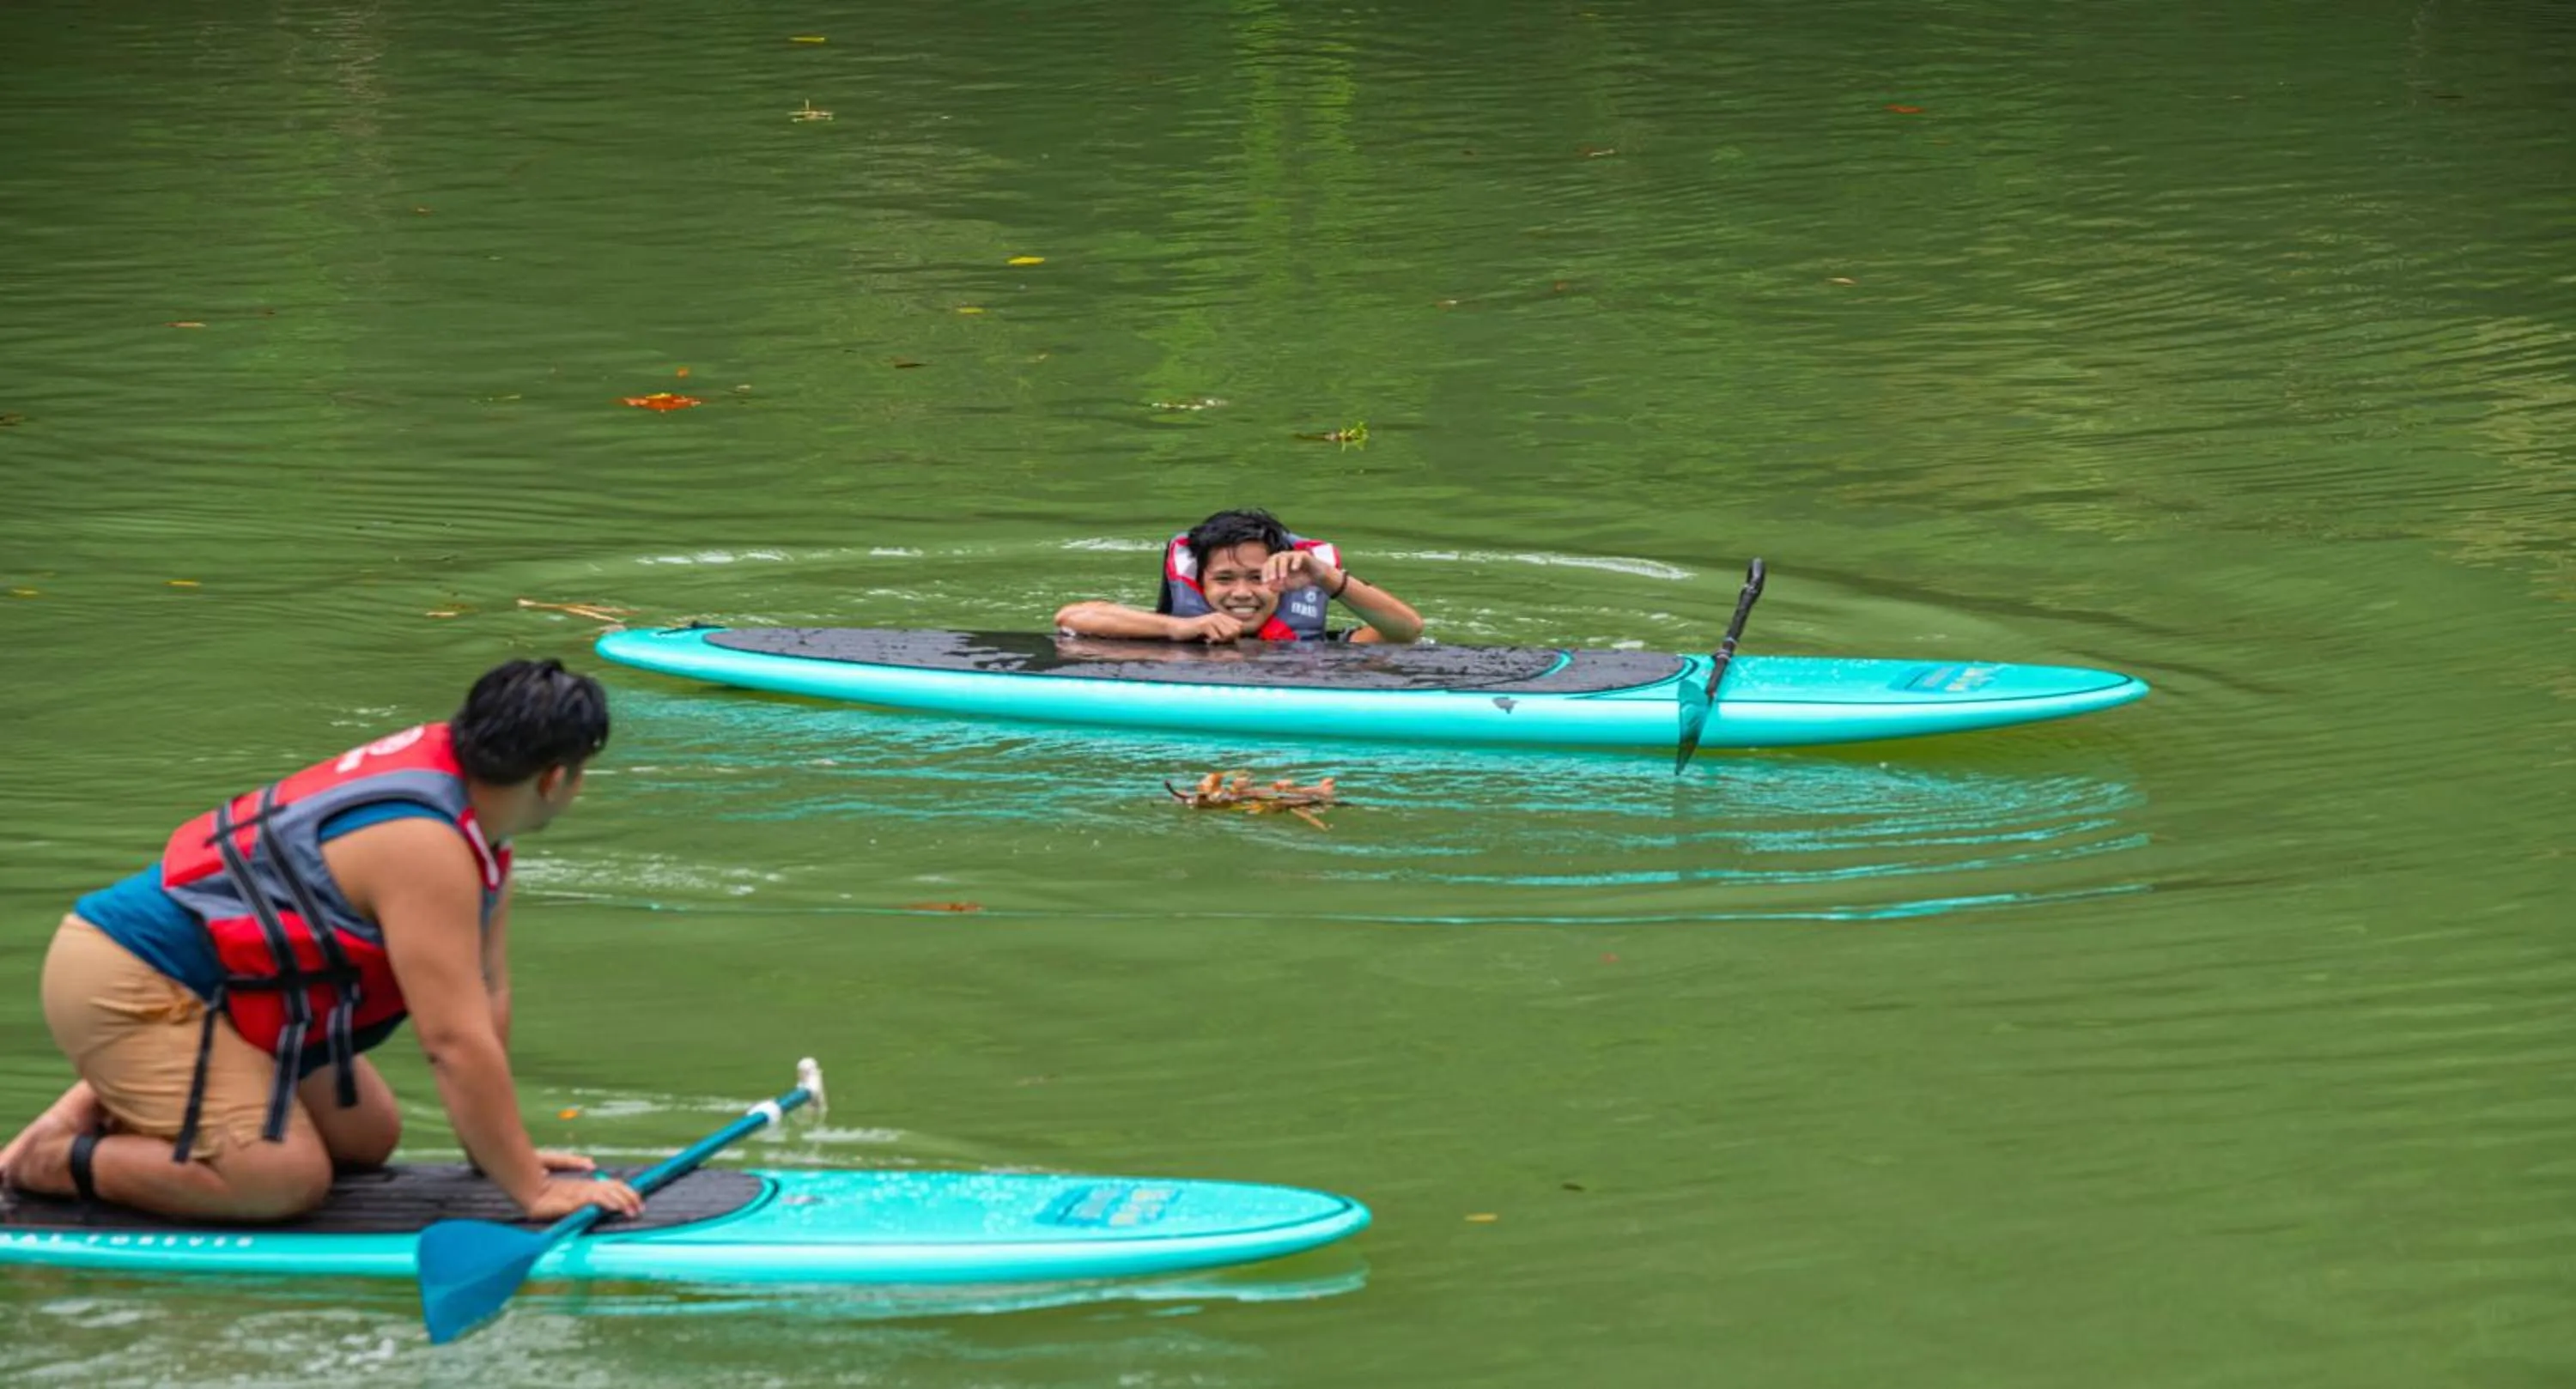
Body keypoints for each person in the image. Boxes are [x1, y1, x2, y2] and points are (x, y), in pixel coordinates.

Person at [0, 658, 644, 1225]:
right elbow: (451, 1042)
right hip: (131, 977)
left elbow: (485, 993)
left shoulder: (476, 823)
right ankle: (55, 1160)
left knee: (366, 1137)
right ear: (556, 779)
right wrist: (531, 1192)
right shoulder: (426, 846)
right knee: (284, 1181)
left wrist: (497, 1156)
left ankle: (106, 1105)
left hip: (212, 992)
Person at [1053, 508, 1424, 645]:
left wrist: (1324, 575)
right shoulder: (1171, 631)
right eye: (1225, 579)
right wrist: (1178, 629)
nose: (1242, 593)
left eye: (1257, 578)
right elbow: (1072, 618)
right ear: (1201, 583)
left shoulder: (1319, 648)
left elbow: (1405, 631)